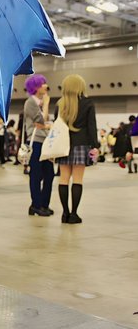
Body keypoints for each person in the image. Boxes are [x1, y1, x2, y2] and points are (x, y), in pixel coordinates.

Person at [54, 74, 99, 223]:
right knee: (78, 180)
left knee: (63, 178)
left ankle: (64, 214)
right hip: (81, 144)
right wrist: (95, 146)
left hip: (63, 145)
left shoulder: (60, 104)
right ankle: (74, 214)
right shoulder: (88, 103)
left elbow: (56, 127)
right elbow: (92, 127)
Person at [23, 74, 54, 216]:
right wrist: (46, 105)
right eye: (42, 84)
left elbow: (44, 123)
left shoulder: (40, 103)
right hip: (35, 141)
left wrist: (45, 124)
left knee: (49, 174)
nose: (45, 86)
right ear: (35, 87)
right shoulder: (30, 103)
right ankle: (36, 205)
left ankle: (43, 204)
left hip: (45, 141)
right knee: (36, 174)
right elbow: (41, 121)